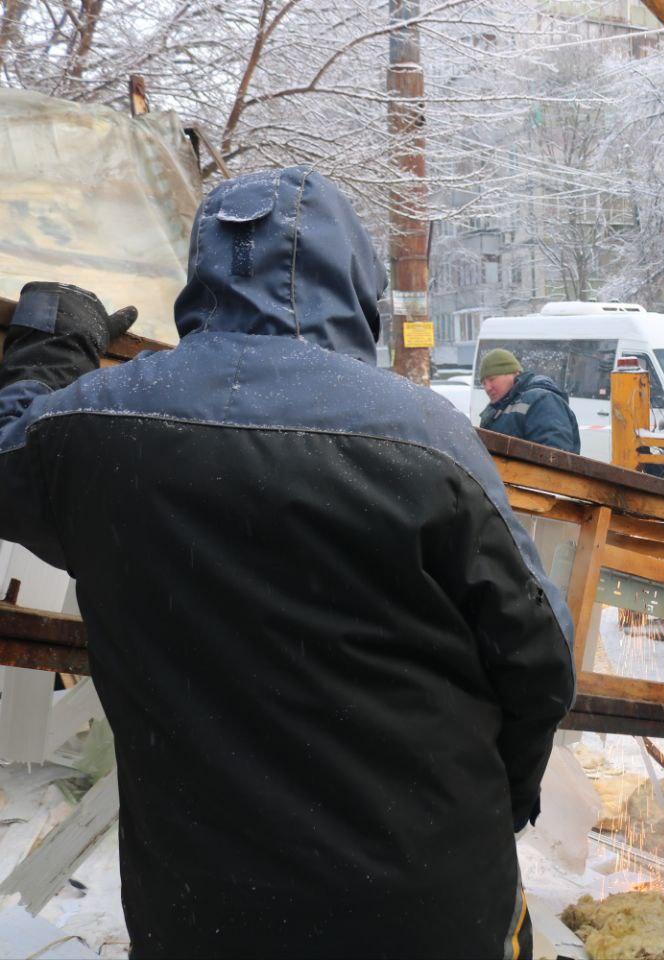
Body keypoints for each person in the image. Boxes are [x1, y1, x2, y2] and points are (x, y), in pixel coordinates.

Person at [0, 167, 577, 958]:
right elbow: (540, 660)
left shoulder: (94, 430)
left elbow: (10, 459)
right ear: (354, 281)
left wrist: (50, 341)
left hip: (202, 917)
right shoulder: (423, 437)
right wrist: (499, 797)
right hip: (425, 908)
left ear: (201, 274)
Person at [477, 348, 581, 453]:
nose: (487, 388)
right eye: (484, 383)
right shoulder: (495, 411)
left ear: (514, 373)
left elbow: (554, 457)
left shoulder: (542, 401)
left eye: (492, 379)